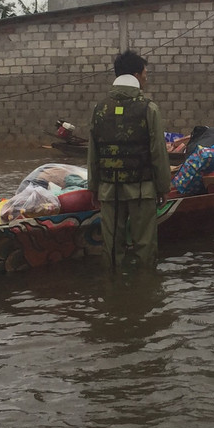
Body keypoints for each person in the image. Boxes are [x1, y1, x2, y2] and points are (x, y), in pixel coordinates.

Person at [86, 49, 170, 267]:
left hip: (108, 190)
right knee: (145, 247)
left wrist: (93, 187)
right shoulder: (149, 108)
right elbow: (158, 152)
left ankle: (113, 292)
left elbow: (93, 153)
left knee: (112, 249)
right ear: (135, 74)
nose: (146, 78)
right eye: (145, 73)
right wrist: (163, 187)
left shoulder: (99, 108)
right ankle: (145, 292)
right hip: (142, 189)